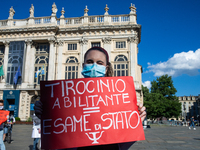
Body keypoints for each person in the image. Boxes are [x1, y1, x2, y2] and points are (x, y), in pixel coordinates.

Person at [34, 46, 146, 150]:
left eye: (99, 63)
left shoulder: (118, 98)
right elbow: (60, 142)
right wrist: (46, 116)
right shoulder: (69, 98)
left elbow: (122, 145)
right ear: (83, 66)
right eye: (90, 62)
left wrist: (136, 122)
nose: (94, 66)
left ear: (106, 69)